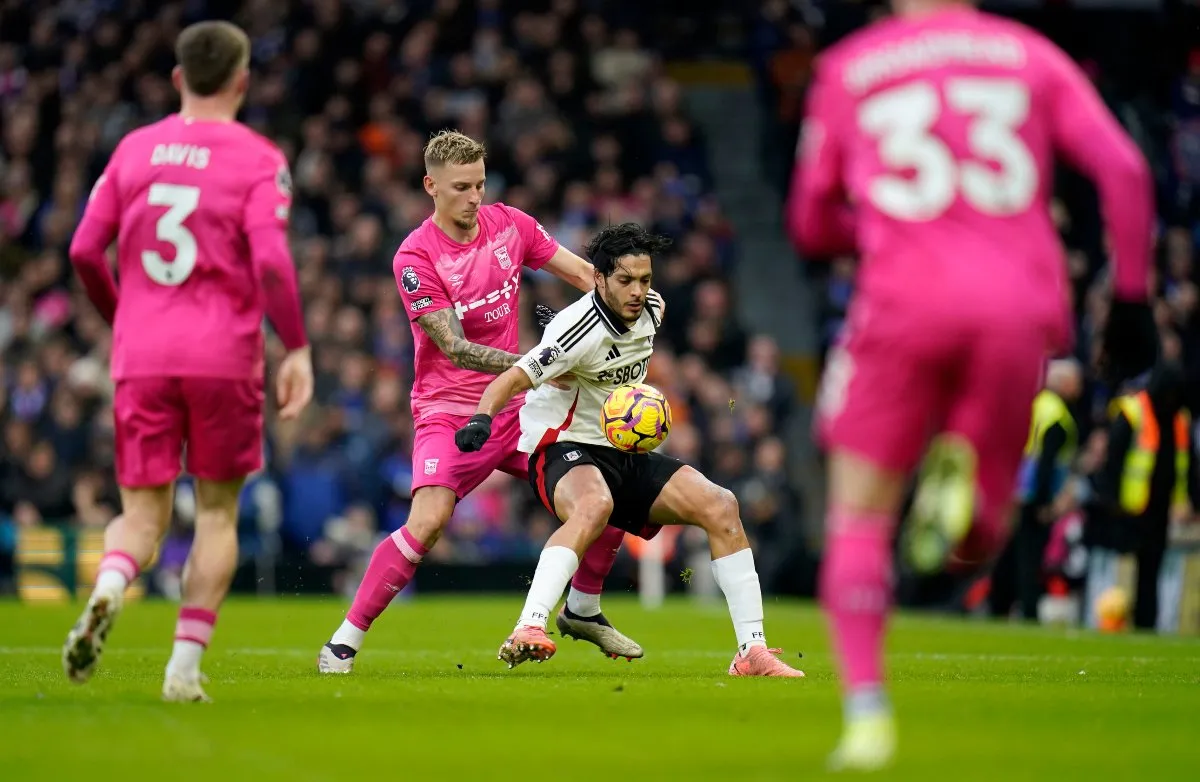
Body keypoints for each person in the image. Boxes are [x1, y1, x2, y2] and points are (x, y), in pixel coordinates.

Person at [786, 0, 1156, 770]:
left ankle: (866, 717)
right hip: (1019, 309)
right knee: (982, 536)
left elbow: (811, 225)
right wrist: (1130, 301)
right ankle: (969, 502)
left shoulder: (851, 69)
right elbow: (1125, 169)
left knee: (858, 516)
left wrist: (877, 228)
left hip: (903, 301)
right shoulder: (1029, 55)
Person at [317, 131, 640, 673]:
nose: (474, 197)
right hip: (450, 412)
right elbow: (455, 347)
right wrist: (538, 366)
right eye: (461, 187)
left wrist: (632, 307)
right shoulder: (415, 256)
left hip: (522, 410)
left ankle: (582, 609)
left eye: (480, 185)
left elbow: (586, 276)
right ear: (430, 186)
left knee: (602, 489)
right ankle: (342, 643)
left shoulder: (510, 225)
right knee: (428, 522)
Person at [62, 21, 313, 702]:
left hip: (142, 354)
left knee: (141, 516)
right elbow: (271, 262)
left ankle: (111, 582)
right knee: (216, 514)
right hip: (223, 358)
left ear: (178, 78)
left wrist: (124, 319)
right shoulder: (258, 157)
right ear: (242, 81)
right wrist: (296, 346)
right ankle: (182, 670)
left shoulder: (134, 149)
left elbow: (83, 250)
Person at [454, 223, 804, 678]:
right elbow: (513, 377)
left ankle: (751, 652)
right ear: (598, 279)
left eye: (644, 279)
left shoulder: (653, 309)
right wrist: (481, 418)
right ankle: (529, 625)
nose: (638, 291)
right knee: (594, 505)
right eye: (625, 280)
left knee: (721, 504)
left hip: (621, 448)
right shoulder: (574, 331)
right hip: (564, 447)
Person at [1090, 361, 1198, 631]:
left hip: (1162, 508)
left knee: (1152, 569)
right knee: (1123, 568)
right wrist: (1111, 500)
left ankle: (1145, 623)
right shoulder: (1133, 412)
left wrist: (1191, 501)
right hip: (1130, 508)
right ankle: (1113, 619)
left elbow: (1190, 465)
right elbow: (1114, 459)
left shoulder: (1180, 420)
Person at [989, 358, 1083, 620]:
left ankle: (998, 604)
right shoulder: (1057, 415)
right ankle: (1027, 609)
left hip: (1017, 491)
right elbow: (1047, 462)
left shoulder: (1036, 405)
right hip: (1036, 495)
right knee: (1031, 557)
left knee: (1011, 553)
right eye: (1076, 381)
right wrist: (1044, 503)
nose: (1080, 387)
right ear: (1064, 383)